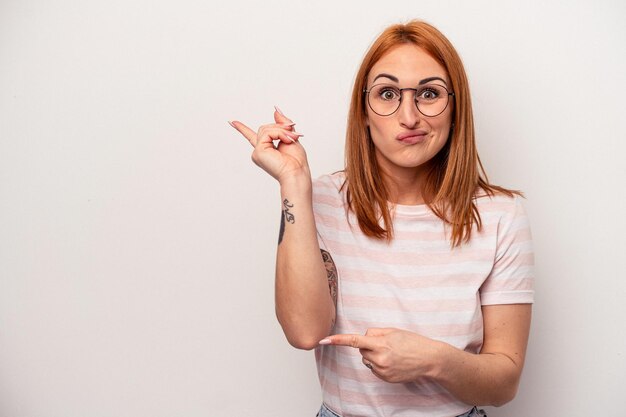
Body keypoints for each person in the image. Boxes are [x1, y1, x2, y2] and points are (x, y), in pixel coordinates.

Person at [229, 20, 534, 417]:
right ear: (364, 112)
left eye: (429, 93)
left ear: (455, 109)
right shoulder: (319, 199)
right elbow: (304, 332)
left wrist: (432, 360)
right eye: (388, 93)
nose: (409, 116)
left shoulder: (499, 216)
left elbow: (504, 383)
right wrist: (293, 183)